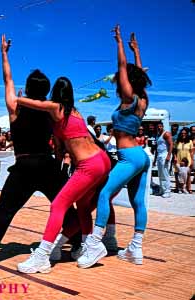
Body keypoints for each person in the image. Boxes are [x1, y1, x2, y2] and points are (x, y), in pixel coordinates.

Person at [0, 35, 81, 269]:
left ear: (27, 88)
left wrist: (4, 53)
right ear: (45, 92)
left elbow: (7, 79)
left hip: (24, 166)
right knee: (64, 207)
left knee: (4, 211)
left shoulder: (16, 107)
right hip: (47, 165)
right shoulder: (51, 110)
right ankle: (78, 243)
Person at [15, 75, 111, 274]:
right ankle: (87, 246)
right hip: (102, 159)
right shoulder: (75, 113)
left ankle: (42, 256)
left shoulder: (55, 107)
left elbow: (29, 102)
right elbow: (63, 147)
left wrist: (18, 97)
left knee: (58, 205)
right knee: (83, 207)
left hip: (89, 164)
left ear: (55, 93)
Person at [78, 27, 152, 268]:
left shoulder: (129, 98)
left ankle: (95, 244)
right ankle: (136, 249)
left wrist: (120, 43)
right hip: (140, 156)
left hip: (129, 156)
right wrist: (137, 51)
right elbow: (136, 74)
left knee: (104, 194)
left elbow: (122, 68)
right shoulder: (142, 99)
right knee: (138, 203)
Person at [153, 122, 173, 198]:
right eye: (158, 126)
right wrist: (155, 160)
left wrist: (168, 155)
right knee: (160, 174)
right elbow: (158, 148)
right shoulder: (158, 135)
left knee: (165, 173)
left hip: (165, 154)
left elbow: (171, 144)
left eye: (160, 126)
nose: (159, 127)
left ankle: (167, 191)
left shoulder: (166, 134)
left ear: (163, 126)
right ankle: (162, 190)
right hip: (159, 155)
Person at [174, 128, 193, 193]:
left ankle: (189, 188)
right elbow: (174, 151)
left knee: (188, 174)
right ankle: (178, 187)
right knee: (177, 173)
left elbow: (191, 152)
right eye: (182, 133)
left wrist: (192, 160)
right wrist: (175, 157)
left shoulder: (190, 141)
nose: (183, 134)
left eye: (185, 133)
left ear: (187, 134)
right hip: (179, 158)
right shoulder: (177, 141)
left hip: (187, 159)